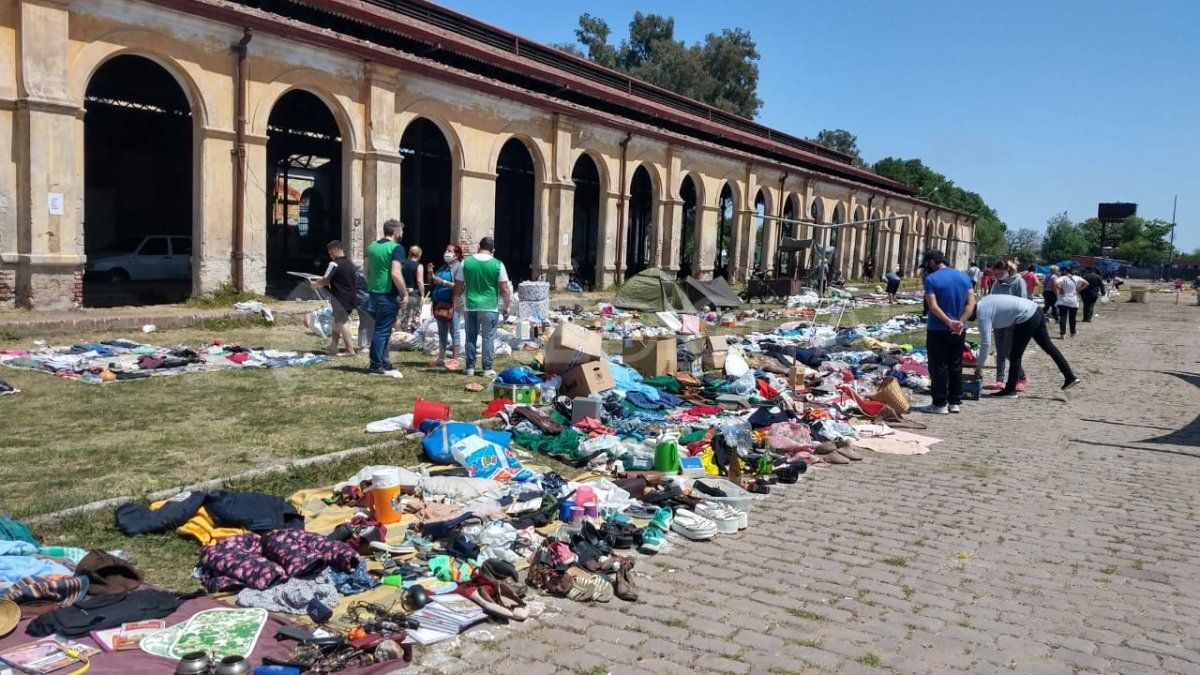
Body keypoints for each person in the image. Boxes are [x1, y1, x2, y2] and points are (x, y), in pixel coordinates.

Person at [972, 293, 1080, 398]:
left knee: (1015, 355)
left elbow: (986, 343)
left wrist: (979, 367)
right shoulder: (984, 301)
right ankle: (1070, 376)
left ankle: (1010, 390)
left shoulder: (982, 315)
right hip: (1035, 310)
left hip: (1026, 317)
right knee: (1049, 347)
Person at [919, 249, 975, 415]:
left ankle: (939, 403)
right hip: (959, 330)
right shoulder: (964, 277)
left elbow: (933, 306)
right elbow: (971, 303)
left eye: (926, 264)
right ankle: (954, 402)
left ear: (931, 262)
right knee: (956, 365)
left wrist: (948, 322)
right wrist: (960, 322)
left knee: (939, 366)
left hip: (938, 328)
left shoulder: (931, 279)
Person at [454, 236, 511, 377]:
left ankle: (470, 368)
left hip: (470, 306)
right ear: (493, 250)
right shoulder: (498, 264)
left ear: (478, 247)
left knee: (470, 337)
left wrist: (456, 302)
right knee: (488, 339)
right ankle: (487, 369)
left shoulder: (466, 262)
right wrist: (507, 305)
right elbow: (504, 287)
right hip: (490, 307)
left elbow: (459, 284)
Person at [363, 219, 408, 378]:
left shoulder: (372, 246)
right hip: (387, 293)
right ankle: (375, 365)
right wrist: (405, 293)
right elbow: (395, 273)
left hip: (374, 292)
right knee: (382, 330)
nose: (402, 234)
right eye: (401, 231)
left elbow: (365, 271)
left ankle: (384, 361)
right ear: (396, 232)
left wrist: (372, 285)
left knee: (384, 328)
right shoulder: (396, 248)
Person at [982, 260, 1029, 390]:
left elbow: (1023, 302)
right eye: (996, 274)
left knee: (1008, 351)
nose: (998, 276)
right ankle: (999, 380)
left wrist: (1016, 321)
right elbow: (993, 300)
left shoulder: (1018, 282)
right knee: (1000, 352)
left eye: (1000, 273)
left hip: (1012, 322)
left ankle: (1022, 377)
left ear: (1007, 271)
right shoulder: (997, 284)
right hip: (998, 321)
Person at [310, 240, 359, 357]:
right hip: (351, 297)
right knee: (335, 321)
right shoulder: (350, 263)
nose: (329, 255)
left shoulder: (334, 264)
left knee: (341, 323)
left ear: (334, 250)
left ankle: (349, 349)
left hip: (340, 298)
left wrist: (315, 284)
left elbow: (326, 280)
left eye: (329, 252)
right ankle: (333, 346)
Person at [429, 243, 464, 369]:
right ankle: (441, 358)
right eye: (446, 250)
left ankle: (455, 359)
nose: (446, 253)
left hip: (452, 303)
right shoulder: (443, 267)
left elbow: (459, 286)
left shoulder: (459, 268)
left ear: (456, 255)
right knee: (442, 331)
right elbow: (434, 283)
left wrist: (443, 282)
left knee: (454, 330)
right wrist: (431, 275)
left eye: (449, 251)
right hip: (440, 303)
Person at [1055, 267, 1088, 338]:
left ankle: (1062, 333)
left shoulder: (1062, 278)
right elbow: (1086, 283)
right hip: (1073, 299)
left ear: (1065, 271)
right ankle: (1072, 332)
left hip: (1063, 299)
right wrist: (1078, 290)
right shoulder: (1077, 278)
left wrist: (1061, 289)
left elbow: (1056, 283)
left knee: (1063, 317)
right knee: (1072, 317)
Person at [399, 245, 425, 331]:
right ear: (419, 254)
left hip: (403, 293)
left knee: (404, 316)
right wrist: (422, 294)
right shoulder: (419, 266)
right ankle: (414, 333)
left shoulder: (402, 264)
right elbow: (419, 281)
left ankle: (403, 333)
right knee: (415, 317)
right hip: (415, 294)